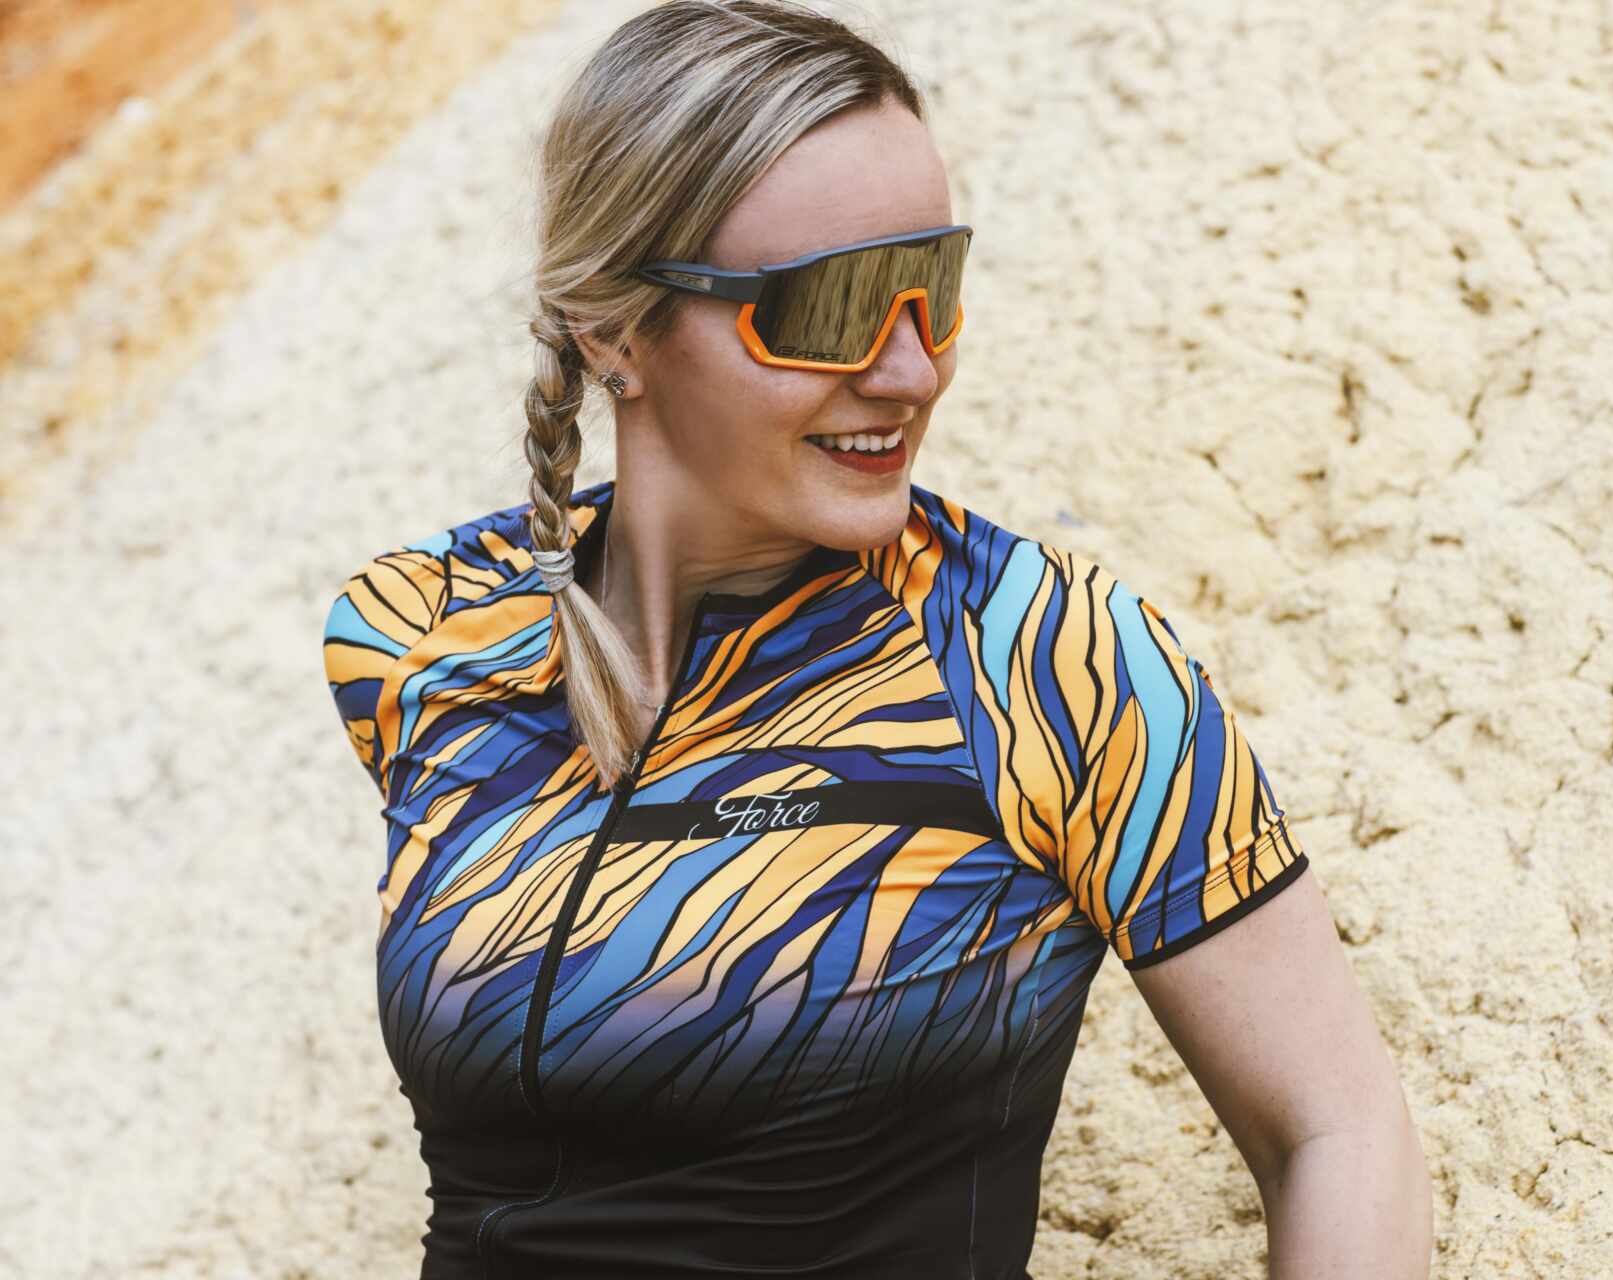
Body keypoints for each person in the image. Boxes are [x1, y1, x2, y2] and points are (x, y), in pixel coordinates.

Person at [320, 3, 1431, 1277]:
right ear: (614, 330)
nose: (910, 370)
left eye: (933, 288)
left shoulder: (1037, 656)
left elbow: (1337, 1129)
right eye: (833, 305)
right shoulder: (420, 632)